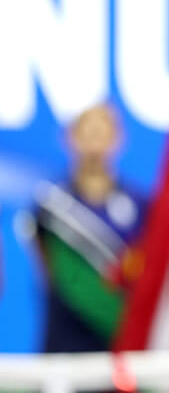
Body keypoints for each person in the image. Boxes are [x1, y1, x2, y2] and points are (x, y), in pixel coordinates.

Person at [33, 104, 147, 352]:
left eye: (102, 131)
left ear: (118, 138)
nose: (95, 140)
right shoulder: (49, 207)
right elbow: (46, 270)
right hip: (63, 340)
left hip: (117, 340)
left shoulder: (140, 205)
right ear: (71, 138)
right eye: (87, 132)